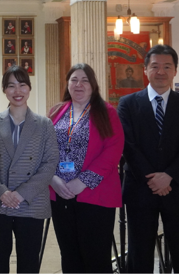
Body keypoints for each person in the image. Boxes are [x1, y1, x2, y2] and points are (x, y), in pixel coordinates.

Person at [118, 45, 179, 273]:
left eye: (167, 66)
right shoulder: (127, 104)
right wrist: (154, 179)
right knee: (139, 255)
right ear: (145, 70)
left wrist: (169, 177)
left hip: (177, 190)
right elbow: (128, 146)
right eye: (155, 66)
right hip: (140, 192)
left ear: (175, 70)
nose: (161, 72)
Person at [0, 65, 59, 273]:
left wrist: (21, 194)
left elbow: (50, 163)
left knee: (29, 264)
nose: (17, 91)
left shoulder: (44, 124)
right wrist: (2, 192)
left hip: (31, 203)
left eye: (22, 85)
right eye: (11, 86)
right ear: (4, 90)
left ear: (29, 88)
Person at [48, 63, 124, 273]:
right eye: (74, 80)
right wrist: (52, 178)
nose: (79, 85)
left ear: (93, 85)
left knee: (95, 257)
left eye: (84, 80)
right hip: (60, 193)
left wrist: (82, 181)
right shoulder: (56, 111)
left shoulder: (106, 112)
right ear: (68, 84)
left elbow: (113, 150)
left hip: (94, 194)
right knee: (69, 255)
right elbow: (44, 148)